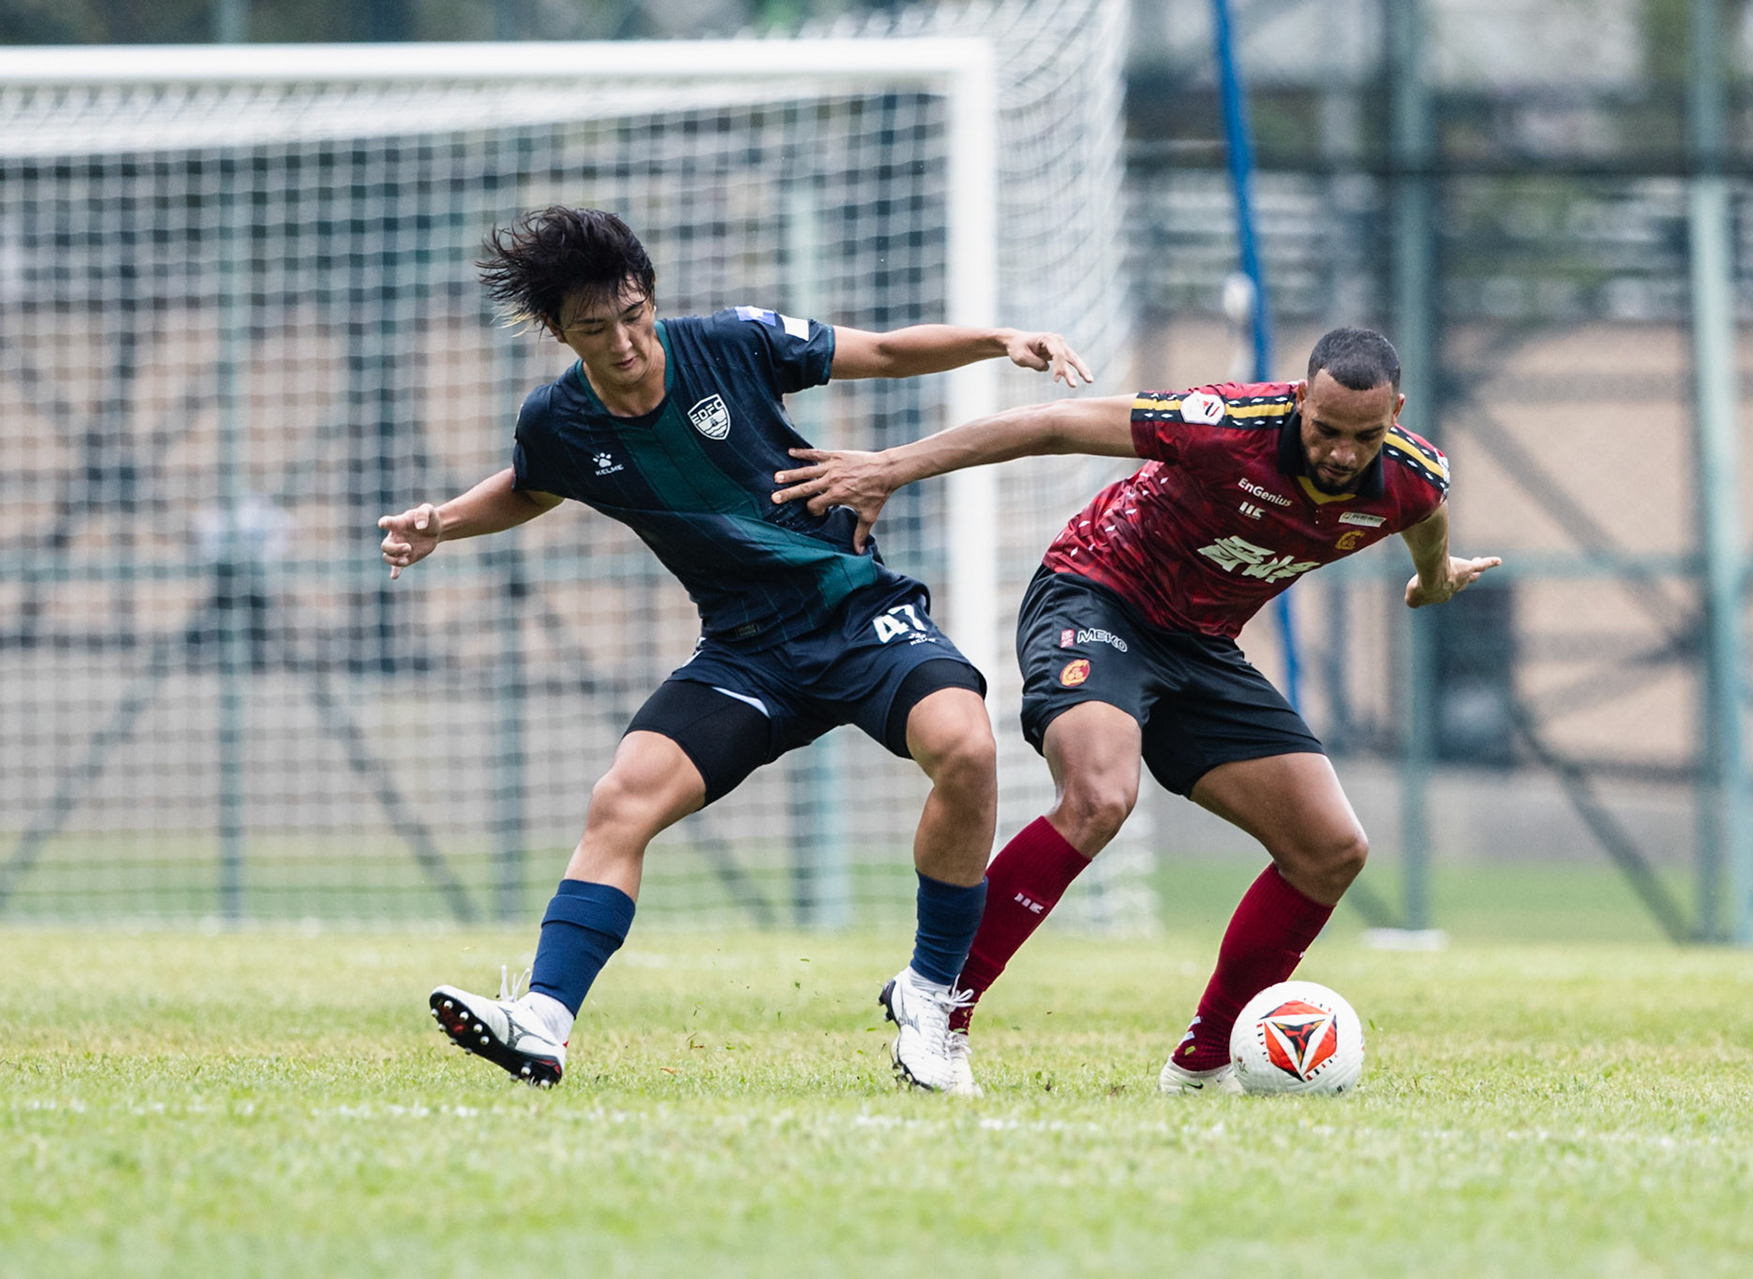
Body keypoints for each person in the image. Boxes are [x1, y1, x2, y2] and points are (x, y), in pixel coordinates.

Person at [380, 206, 1090, 1094]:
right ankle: (544, 1022)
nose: (626, 343)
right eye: (596, 330)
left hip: (856, 613)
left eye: (634, 315)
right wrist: (443, 523)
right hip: (746, 653)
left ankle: (931, 995)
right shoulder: (559, 419)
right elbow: (530, 488)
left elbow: (885, 351)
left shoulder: (733, 341)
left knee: (966, 743)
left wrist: (999, 340)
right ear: (562, 334)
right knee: (621, 799)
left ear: (652, 296)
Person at [772, 327, 1499, 1094]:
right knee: (1100, 794)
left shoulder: (1413, 476)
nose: (1344, 453)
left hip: (1200, 646)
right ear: (1297, 398)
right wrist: (890, 466)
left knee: (1330, 848)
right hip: (1096, 594)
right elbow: (1050, 426)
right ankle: (939, 1000)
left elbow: (1426, 520)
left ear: (1397, 415)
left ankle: (1203, 1062)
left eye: (1365, 435)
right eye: (1326, 429)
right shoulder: (1221, 424)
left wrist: (1436, 575)